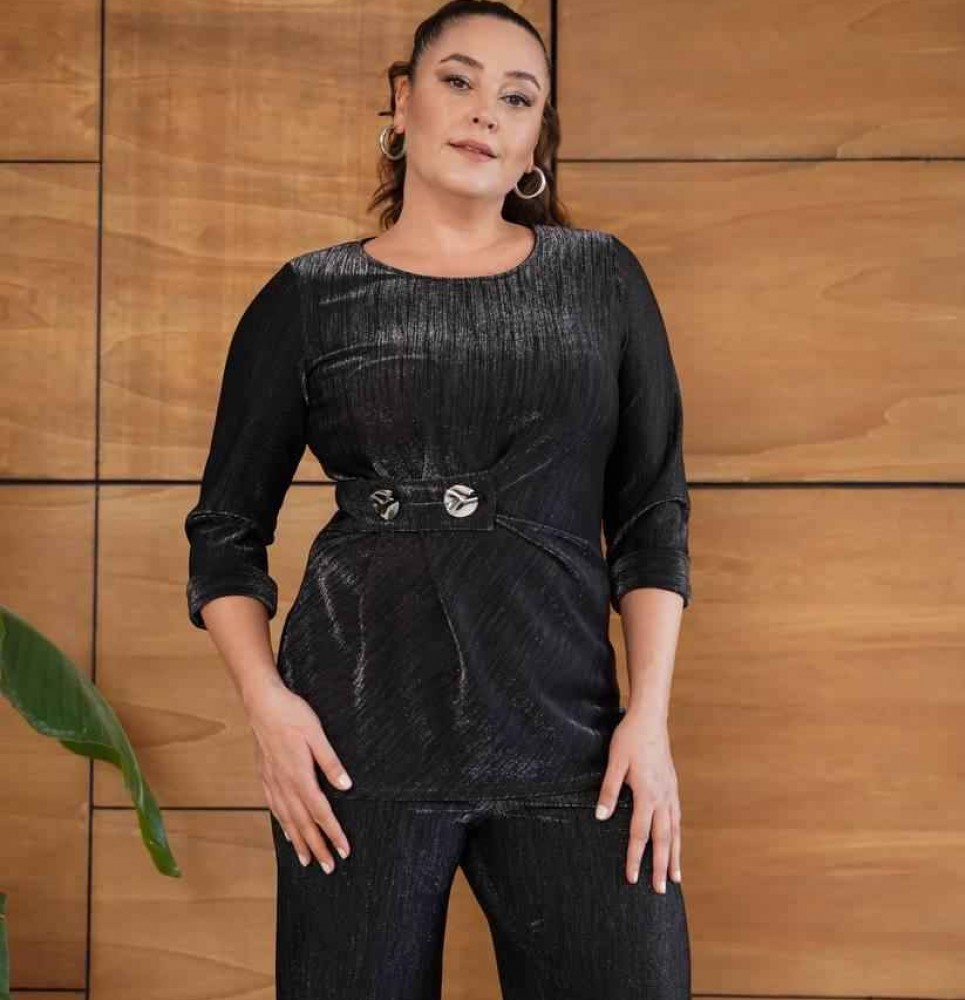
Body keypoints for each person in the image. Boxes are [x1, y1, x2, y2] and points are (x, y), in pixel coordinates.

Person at [183, 1, 693, 997]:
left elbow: (650, 517)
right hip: (354, 741)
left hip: (575, 740)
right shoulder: (308, 296)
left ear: (536, 139)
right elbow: (225, 535)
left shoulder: (601, 279)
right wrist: (268, 708)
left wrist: (651, 718)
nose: (485, 112)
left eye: (518, 98)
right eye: (458, 80)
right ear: (401, 99)